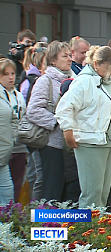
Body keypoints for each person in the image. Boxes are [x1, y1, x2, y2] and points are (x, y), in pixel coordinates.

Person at [56, 46, 111, 208]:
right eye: (110, 66)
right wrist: (68, 132)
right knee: (92, 193)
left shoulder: (107, 83)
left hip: (109, 142)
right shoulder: (84, 82)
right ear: (96, 64)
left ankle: (98, 228)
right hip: (91, 142)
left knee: (103, 192)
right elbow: (64, 108)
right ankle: (86, 229)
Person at [27, 41, 74, 202]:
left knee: (66, 193)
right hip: (51, 145)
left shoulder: (74, 79)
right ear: (53, 60)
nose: (69, 59)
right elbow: (33, 110)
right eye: (64, 56)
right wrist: (57, 121)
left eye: (70, 55)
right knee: (51, 189)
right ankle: (46, 225)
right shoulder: (45, 81)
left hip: (69, 145)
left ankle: (64, 225)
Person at [18, 45, 47, 200]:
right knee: (37, 177)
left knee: (38, 176)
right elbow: (30, 111)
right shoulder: (33, 82)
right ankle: (33, 214)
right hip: (35, 137)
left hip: (43, 137)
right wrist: (55, 121)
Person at [0, 59, 17, 204]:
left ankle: (7, 226)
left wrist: (14, 137)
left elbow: (14, 119)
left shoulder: (11, 94)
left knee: (8, 197)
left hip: (3, 156)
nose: (10, 77)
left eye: (12, 73)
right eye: (6, 74)